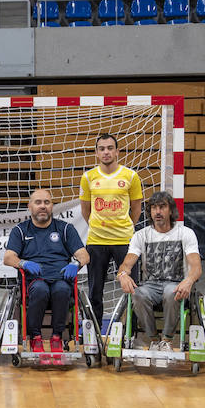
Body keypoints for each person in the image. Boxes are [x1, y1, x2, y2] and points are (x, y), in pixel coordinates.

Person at [4, 189, 90, 354]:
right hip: (35, 281)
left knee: (62, 290)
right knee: (41, 290)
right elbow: (8, 257)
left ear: (52, 206)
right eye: (38, 202)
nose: (42, 206)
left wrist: (76, 264)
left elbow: (84, 255)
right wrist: (23, 263)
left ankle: (57, 337)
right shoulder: (21, 230)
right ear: (30, 206)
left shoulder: (65, 229)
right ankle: (35, 337)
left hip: (60, 279)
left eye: (47, 202)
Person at [117, 191, 201, 348]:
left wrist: (189, 280)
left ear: (171, 210)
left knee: (171, 293)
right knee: (137, 293)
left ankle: (167, 340)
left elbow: (196, 267)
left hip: (176, 283)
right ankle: (154, 340)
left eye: (162, 207)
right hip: (151, 285)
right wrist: (123, 275)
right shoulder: (141, 235)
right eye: (154, 208)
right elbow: (127, 264)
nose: (157, 212)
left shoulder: (186, 233)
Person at [80, 133, 143, 325]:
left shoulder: (131, 176)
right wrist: (99, 227)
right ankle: (94, 331)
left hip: (124, 241)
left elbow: (136, 209)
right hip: (97, 242)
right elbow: (85, 211)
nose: (106, 152)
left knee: (132, 287)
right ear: (97, 153)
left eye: (109, 148)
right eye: (102, 149)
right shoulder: (88, 177)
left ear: (117, 151)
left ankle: (128, 332)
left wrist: (123, 227)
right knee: (95, 291)